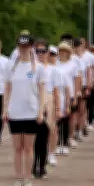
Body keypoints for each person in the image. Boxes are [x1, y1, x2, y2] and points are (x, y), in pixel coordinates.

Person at [4, 34, 46, 186]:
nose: (23, 49)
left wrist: (41, 111)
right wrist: (4, 109)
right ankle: (18, 178)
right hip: (15, 111)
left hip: (31, 111)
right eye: (21, 46)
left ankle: (27, 178)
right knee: (17, 147)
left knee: (28, 148)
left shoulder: (38, 68)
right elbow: (7, 88)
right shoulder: (11, 66)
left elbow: (42, 91)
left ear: (31, 47)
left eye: (26, 46)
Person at [32, 40, 60, 178]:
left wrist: (58, 108)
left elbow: (56, 90)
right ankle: (32, 165)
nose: (40, 54)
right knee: (32, 136)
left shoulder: (53, 70)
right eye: (38, 51)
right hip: (33, 99)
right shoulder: (32, 68)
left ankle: (42, 165)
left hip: (48, 99)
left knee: (45, 133)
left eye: (43, 51)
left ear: (48, 53)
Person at [54, 41, 79, 155]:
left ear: (68, 52)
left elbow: (76, 79)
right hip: (57, 94)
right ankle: (58, 143)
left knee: (66, 120)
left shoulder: (73, 64)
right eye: (61, 50)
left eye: (65, 51)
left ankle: (65, 142)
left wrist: (76, 95)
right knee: (57, 121)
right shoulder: (55, 63)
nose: (62, 53)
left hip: (69, 93)